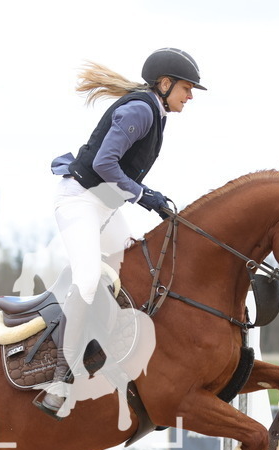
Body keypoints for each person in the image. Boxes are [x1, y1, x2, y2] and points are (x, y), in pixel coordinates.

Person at [37, 48, 206, 418]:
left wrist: (142, 196)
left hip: (104, 205)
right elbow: (103, 162)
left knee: (133, 259)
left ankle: (109, 344)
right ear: (165, 84)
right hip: (79, 202)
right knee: (85, 280)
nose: (190, 95)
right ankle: (59, 374)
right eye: (187, 88)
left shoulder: (153, 111)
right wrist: (144, 194)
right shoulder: (141, 110)